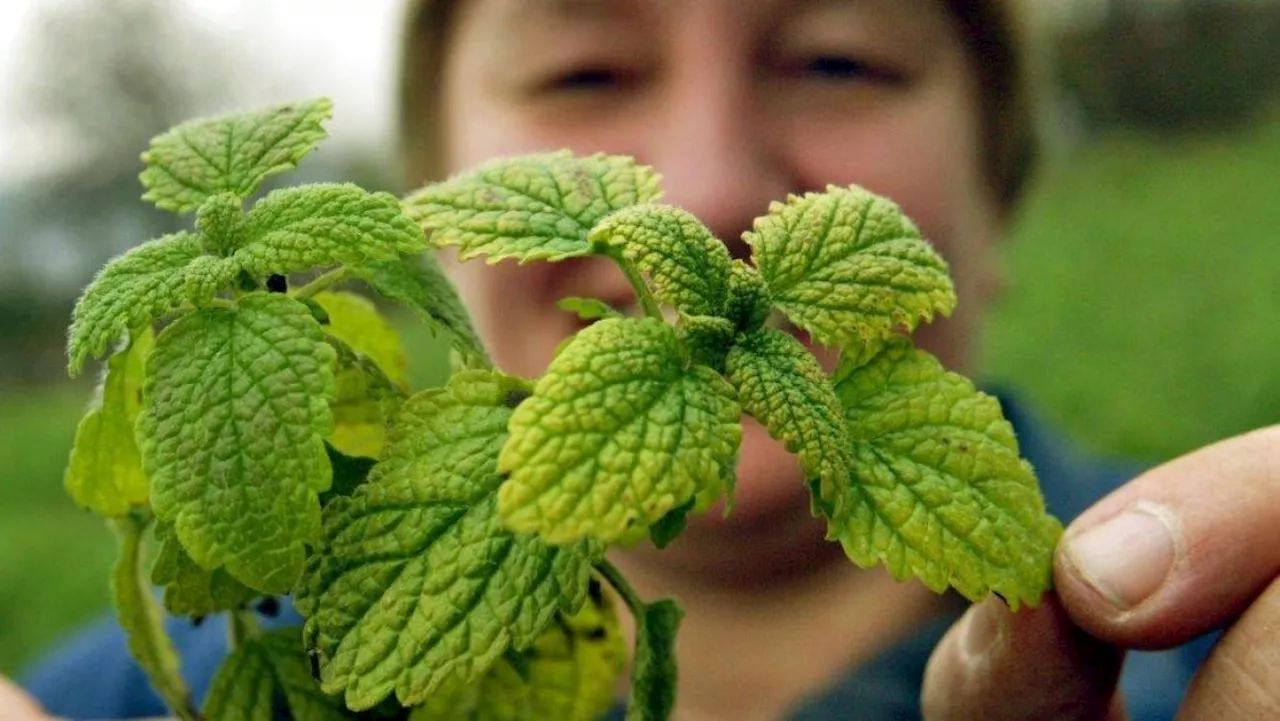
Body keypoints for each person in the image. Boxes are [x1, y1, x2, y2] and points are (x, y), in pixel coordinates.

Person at [9, 0, 1278, 719]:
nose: (705, 185)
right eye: (584, 70)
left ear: (994, 199)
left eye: (837, 60)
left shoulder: (1190, 644)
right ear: (432, 209)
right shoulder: (133, 695)